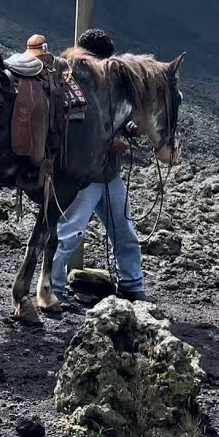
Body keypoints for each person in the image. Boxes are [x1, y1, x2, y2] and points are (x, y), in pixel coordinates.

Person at [51, 28, 152, 303]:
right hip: (84, 175)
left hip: (107, 174)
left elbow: (118, 118)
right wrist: (110, 143)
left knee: (123, 231)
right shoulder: (72, 85)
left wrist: (129, 129)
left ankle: (131, 284)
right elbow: (77, 130)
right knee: (69, 233)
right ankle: (52, 288)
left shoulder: (108, 85)